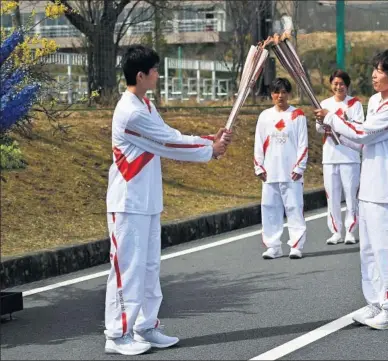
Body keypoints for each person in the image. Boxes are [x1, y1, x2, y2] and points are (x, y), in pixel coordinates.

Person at [104, 45, 232, 355]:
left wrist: (208, 142)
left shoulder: (145, 105)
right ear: (141, 75)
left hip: (147, 201)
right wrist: (209, 149)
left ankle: (145, 326)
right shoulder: (130, 112)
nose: (158, 76)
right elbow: (167, 142)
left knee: (149, 267)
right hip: (128, 203)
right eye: (155, 71)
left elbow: (167, 133)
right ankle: (117, 334)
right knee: (128, 268)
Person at [314, 49, 388, 330]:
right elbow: (360, 142)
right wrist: (332, 130)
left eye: (380, 71)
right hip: (369, 187)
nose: (374, 74)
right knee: (368, 251)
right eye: (374, 69)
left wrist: (332, 118)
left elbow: (363, 133)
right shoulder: (378, 102)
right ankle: (375, 304)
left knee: (387, 251)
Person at [254, 78, 308, 259]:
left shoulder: (297, 115)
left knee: (294, 207)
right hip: (270, 171)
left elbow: (303, 143)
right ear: (271, 94)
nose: (280, 96)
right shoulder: (265, 116)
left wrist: (300, 166)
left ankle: (296, 245)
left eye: (284, 92)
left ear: (289, 94)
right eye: (277, 92)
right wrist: (259, 167)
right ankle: (273, 246)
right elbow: (258, 143)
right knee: (269, 208)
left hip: (291, 172)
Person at [317, 70, 365, 245]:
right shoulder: (324, 104)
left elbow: (359, 127)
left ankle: (350, 231)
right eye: (335, 84)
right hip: (330, 156)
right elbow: (319, 127)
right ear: (331, 85)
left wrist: (342, 123)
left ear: (347, 85)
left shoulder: (354, 104)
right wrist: (328, 125)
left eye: (342, 84)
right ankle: (336, 231)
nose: (338, 87)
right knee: (332, 197)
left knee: (351, 196)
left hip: (350, 157)